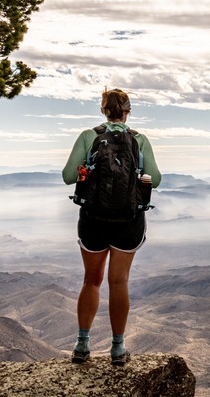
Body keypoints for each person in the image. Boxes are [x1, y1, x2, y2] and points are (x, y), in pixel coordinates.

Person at [62, 88, 161, 366]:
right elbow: (157, 179)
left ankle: (82, 346)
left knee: (91, 281)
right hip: (128, 222)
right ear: (128, 111)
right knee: (119, 282)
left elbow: (69, 176)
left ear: (103, 110)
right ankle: (118, 349)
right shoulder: (139, 140)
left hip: (93, 219)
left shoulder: (89, 136)